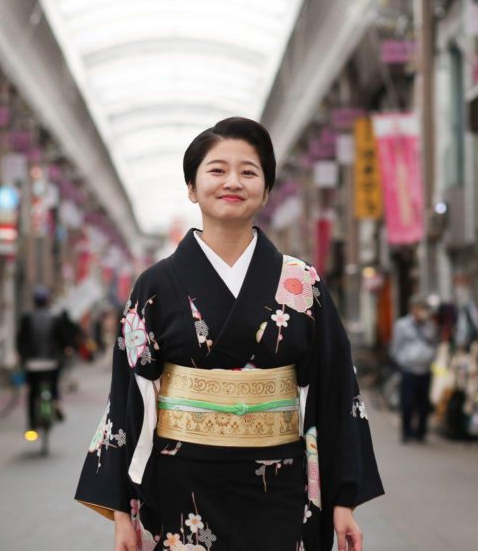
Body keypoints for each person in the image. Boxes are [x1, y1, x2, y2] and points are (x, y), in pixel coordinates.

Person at [75, 117, 383, 551]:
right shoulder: (156, 285)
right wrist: (123, 512)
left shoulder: (302, 283)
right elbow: (126, 396)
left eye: (249, 171)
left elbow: (336, 390)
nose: (232, 182)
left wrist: (343, 500)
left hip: (280, 486)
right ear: (191, 186)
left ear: (267, 189)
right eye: (217, 170)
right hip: (184, 486)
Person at [17, 286, 72, 434]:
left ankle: (32, 426)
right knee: (54, 385)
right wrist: (67, 349)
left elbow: (21, 341)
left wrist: (23, 358)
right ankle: (56, 403)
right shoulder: (55, 318)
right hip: (51, 364)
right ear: (47, 301)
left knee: (32, 393)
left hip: (32, 364)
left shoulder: (27, 319)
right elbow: (64, 341)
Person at [390, 294, 438, 444]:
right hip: (409, 369)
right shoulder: (402, 325)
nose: (424, 311)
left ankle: (421, 432)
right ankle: (406, 432)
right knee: (408, 402)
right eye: (421, 308)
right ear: (413, 309)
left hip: (426, 369)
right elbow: (396, 347)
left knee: (424, 403)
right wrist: (404, 362)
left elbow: (434, 344)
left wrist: (430, 358)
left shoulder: (431, 326)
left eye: (425, 308)